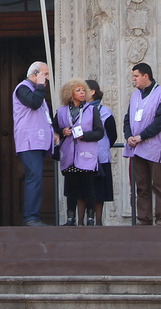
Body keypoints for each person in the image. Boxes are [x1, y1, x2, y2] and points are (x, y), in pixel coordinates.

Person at [124, 62, 161, 226]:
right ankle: (144, 219)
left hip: (154, 147)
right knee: (142, 186)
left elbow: (160, 121)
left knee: (158, 185)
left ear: (146, 76)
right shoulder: (135, 95)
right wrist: (129, 136)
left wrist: (142, 136)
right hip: (137, 148)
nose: (134, 80)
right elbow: (127, 119)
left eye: (136, 76)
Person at [12, 61, 59, 226]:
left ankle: (33, 216)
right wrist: (40, 86)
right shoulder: (23, 88)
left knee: (37, 177)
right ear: (35, 73)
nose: (46, 79)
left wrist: (52, 132)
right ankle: (31, 217)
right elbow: (33, 103)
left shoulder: (37, 90)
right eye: (44, 75)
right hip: (29, 141)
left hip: (39, 140)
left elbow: (43, 114)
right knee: (34, 177)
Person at [54, 78, 104, 226]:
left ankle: (90, 219)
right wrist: (62, 131)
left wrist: (85, 135)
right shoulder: (61, 111)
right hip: (69, 154)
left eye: (83, 90)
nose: (82, 93)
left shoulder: (92, 109)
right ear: (70, 93)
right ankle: (70, 219)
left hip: (86, 154)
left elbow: (100, 132)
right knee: (71, 187)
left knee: (89, 187)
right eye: (78, 90)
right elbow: (54, 130)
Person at [86, 79, 117, 226]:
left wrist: (102, 146)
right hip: (82, 158)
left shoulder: (105, 112)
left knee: (99, 191)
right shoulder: (77, 109)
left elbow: (112, 134)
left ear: (92, 92)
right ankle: (80, 221)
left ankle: (98, 221)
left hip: (100, 157)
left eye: (83, 90)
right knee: (81, 190)